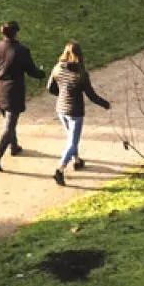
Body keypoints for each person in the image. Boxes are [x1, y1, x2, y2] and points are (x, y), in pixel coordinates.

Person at [0, 21, 47, 172]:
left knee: (8, 119)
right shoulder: (22, 50)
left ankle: (14, 146)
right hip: (13, 92)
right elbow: (31, 71)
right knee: (9, 125)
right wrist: (42, 74)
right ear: (16, 33)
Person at [44, 41, 110, 186]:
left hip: (61, 109)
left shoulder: (58, 68)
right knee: (73, 142)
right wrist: (105, 104)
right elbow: (91, 96)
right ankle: (59, 170)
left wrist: (62, 94)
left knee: (70, 138)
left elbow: (50, 88)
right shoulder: (81, 73)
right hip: (75, 111)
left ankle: (77, 161)